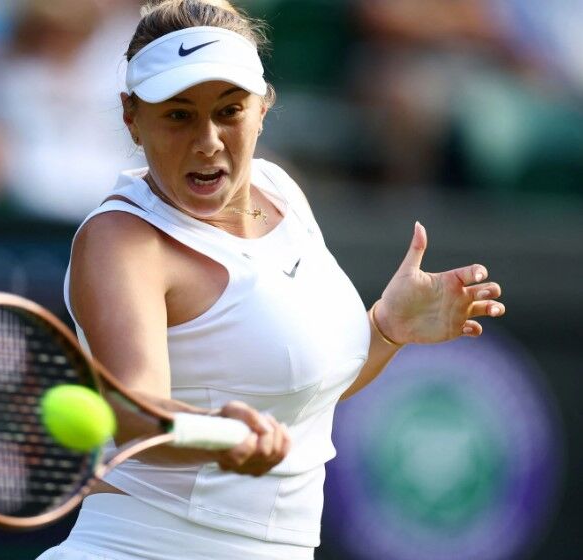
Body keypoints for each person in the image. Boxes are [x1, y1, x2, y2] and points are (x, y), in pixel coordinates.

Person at [39, 1, 505, 558]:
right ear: (131, 118)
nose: (208, 140)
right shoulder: (121, 240)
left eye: (229, 111)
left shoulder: (279, 189)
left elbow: (296, 398)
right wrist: (220, 432)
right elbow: (137, 412)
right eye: (179, 115)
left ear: (263, 108)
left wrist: (385, 328)